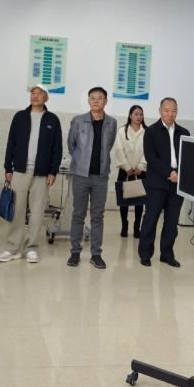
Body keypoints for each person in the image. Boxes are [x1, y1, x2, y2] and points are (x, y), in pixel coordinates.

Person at [0, 85, 62, 263]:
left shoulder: (52, 119)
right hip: (19, 170)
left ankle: (32, 248)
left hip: (42, 173)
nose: (35, 96)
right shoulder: (20, 117)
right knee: (16, 211)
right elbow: (11, 143)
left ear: (46, 98)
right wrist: (8, 168)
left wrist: (53, 171)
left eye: (39, 94)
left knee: (37, 212)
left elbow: (57, 148)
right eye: (33, 93)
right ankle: (13, 248)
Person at [66, 87, 117, 270]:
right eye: (92, 98)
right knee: (78, 214)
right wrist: (81, 162)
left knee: (97, 216)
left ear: (106, 101)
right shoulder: (78, 121)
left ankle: (96, 254)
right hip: (81, 174)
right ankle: (75, 252)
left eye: (100, 98)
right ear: (88, 101)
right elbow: (71, 145)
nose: (96, 101)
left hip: (101, 176)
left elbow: (109, 145)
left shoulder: (112, 123)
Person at [138, 97, 190, 267]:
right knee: (150, 219)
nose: (170, 114)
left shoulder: (184, 133)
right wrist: (169, 172)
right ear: (160, 111)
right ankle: (145, 254)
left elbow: (188, 157)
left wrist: (179, 174)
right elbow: (150, 157)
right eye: (166, 110)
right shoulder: (151, 131)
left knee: (172, 222)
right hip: (157, 183)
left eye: (173, 110)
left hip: (177, 183)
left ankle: (167, 254)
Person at [113, 104, 147, 238]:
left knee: (140, 201)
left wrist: (141, 166)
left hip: (140, 171)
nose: (139, 117)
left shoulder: (147, 131)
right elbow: (118, 149)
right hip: (125, 171)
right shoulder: (122, 131)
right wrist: (127, 167)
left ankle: (137, 227)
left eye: (141, 114)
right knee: (124, 200)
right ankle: (124, 225)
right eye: (136, 114)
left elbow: (149, 151)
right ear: (130, 115)